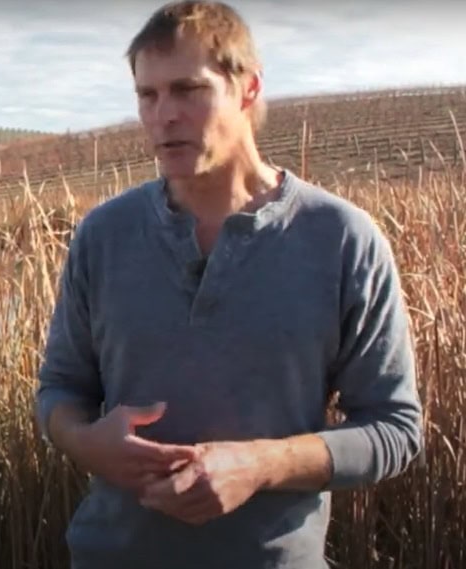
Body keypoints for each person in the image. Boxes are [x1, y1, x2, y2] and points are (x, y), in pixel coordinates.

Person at [35, 2, 423, 568]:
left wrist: (260, 465)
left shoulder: (341, 239)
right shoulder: (105, 234)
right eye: (148, 95)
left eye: (188, 89)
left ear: (247, 88)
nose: (164, 115)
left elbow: (394, 429)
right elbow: (60, 390)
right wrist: (85, 442)